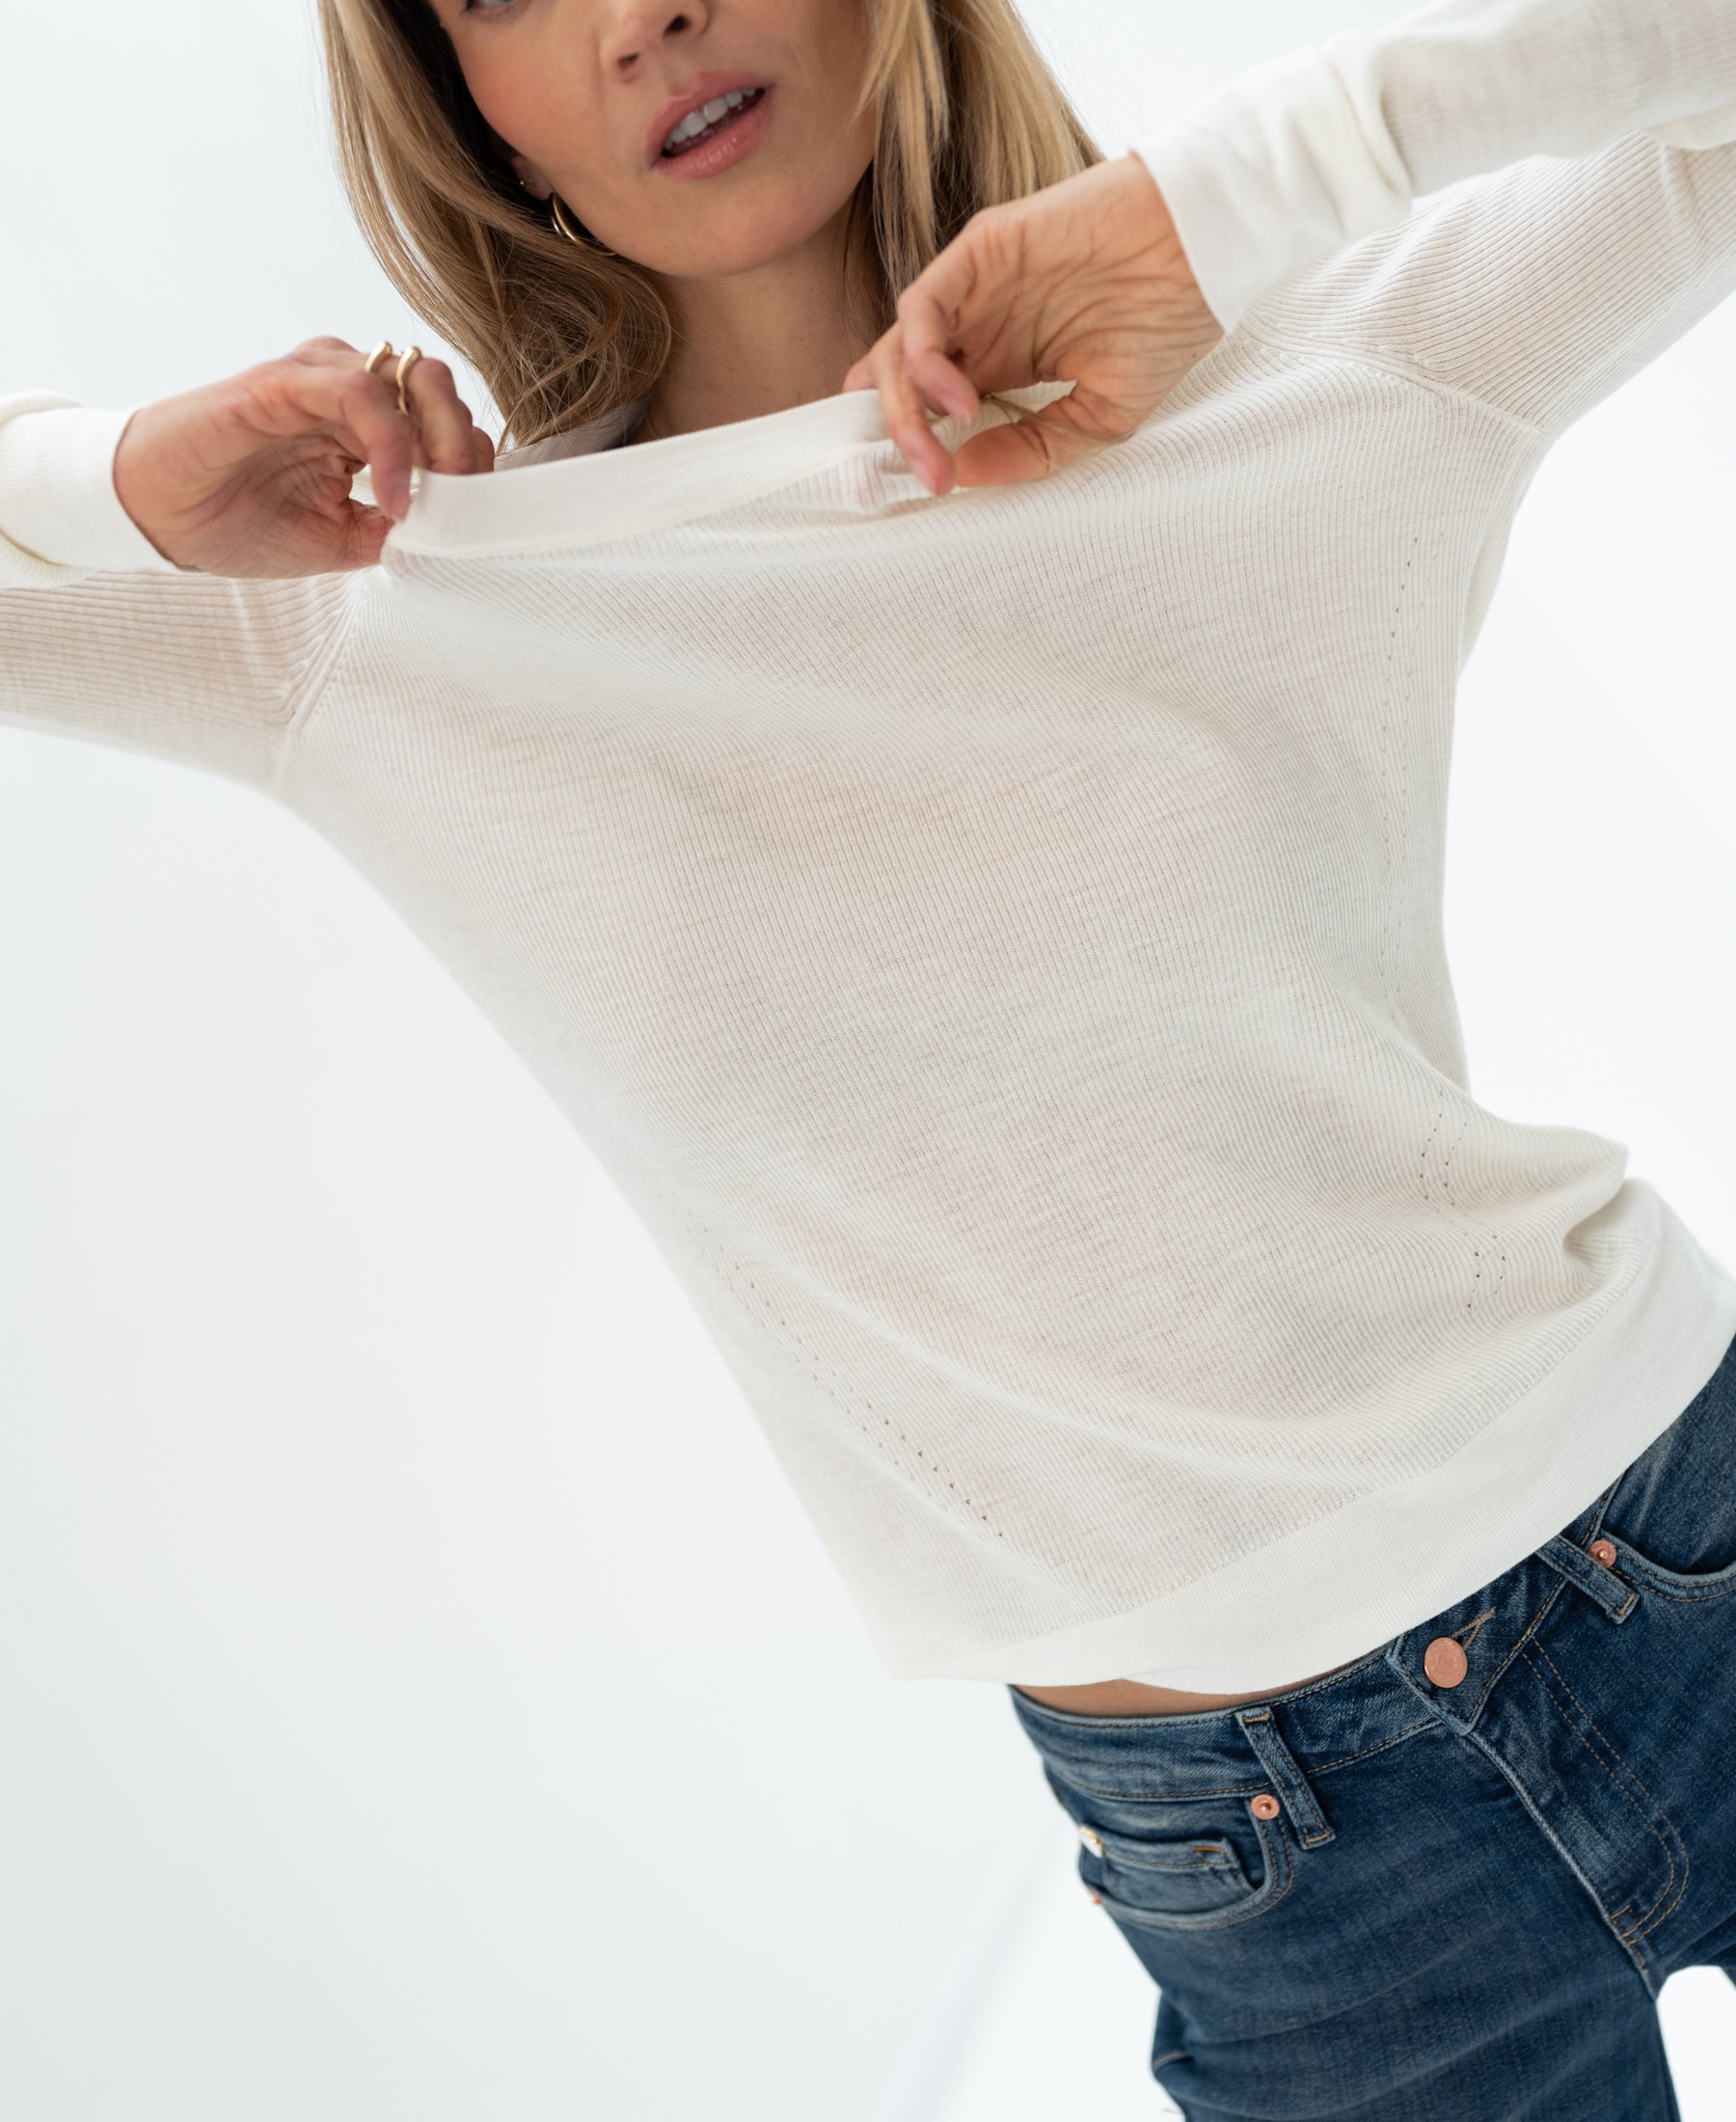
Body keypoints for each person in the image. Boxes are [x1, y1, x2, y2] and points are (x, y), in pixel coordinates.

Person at [3, 0, 1735, 2110]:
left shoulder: (1324, 348)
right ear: (477, 118)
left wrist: (1236, 195)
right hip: (1282, 1858)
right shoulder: (379, 610)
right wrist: (102, 484)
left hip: (1675, 1526)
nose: (644, 14)